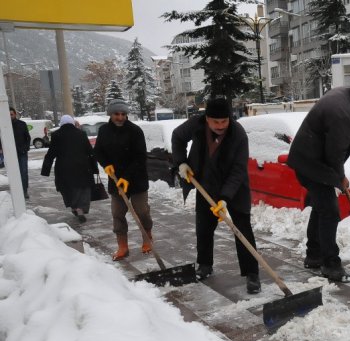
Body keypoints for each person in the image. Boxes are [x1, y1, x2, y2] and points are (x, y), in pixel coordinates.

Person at [287, 72, 350, 282]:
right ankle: (331, 264)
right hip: (312, 164)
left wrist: (337, 175)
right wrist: (340, 177)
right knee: (330, 211)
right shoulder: (342, 112)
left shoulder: (349, 99)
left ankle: (314, 254)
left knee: (322, 207)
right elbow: (334, 152)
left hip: (309, 160)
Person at [171, 96, 261, 293]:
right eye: (216, 121)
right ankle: (204, 265)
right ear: (207, 119)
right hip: (206, 184)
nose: (221, 125)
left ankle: (252, 273)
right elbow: (177, 137)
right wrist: (181, 162)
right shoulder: (196, 124)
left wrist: (225, 198)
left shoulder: (238, 134)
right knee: (203, 227)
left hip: (235, 189)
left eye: (225, 121)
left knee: (242, 229)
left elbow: (238, 171)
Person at [94, 99, 153, 261]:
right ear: (110, 114)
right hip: (115, 179)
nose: (120, 117)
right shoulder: (104, 130)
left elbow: (140, 157)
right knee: (117, 213)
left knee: (141, 211)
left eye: (123, 114)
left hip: (137, 179)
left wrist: (126, 178)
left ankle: (147, 238)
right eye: (116, 114)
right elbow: (98, 151)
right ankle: (122, 246)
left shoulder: (135, 131)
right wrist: (106, 165)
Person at [40, 115, 98, 222]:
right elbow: (90, 152)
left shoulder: (56, 135)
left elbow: (51, 153)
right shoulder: (81, 133)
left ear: (61, 123)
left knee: (67, 189)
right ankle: (80, 208)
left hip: (64, 168)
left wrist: (45, 170)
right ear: (72, 123)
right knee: (82, 189)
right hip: (82, 167)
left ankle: (74, 207)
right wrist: (95, 168)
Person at [9, 107, 31, 198]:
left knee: (23, 172)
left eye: (11, 114)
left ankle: (24, 190)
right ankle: (16, 191)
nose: (10, 116)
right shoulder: (4, 126)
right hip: (10, 154)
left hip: (22, 153)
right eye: (8, 115)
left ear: (15, 114)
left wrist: (25, 148)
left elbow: (28, 138)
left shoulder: (22, 124)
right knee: (13, 173)